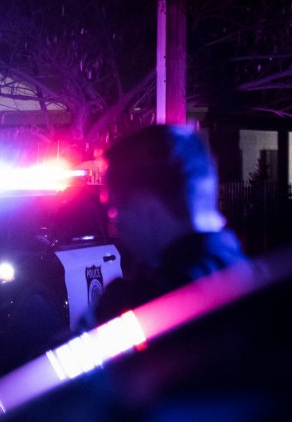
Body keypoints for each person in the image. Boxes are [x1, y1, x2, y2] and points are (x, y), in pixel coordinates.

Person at [78, 123, 248, 330]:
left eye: (115, 209)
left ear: (146, 206)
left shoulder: (151, 304)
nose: (114, 227)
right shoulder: (249, 279)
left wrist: (108, 308)